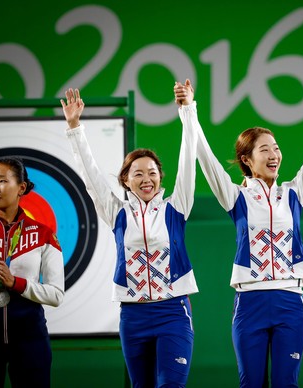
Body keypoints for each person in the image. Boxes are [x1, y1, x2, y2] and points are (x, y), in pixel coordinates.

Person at [174, 67, 303, 387]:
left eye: (276, 147)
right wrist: (188, 110)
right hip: (249, 304)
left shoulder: (294, 192)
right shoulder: (234, 196)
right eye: (264, 149)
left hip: (290, 303)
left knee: (286, 384)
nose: (274, 154)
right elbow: (205, 156)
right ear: (246, 159)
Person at [61, 88, 198, 387]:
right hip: (133, 316)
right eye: (137, 174)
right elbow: (90, 174)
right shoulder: (117, 212)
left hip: (172, 310)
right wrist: (74, 128)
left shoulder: (177, 207)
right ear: (125, 180)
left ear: (161, 176)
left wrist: (188, 111)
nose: (146, 179)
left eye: (152, 172)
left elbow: (189, 159)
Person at [0, 157, 65, 388]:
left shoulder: (44, 234)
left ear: (22, 188)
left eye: (3, 181)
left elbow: (56, 295)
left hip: (30, 340)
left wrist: (16, 283)